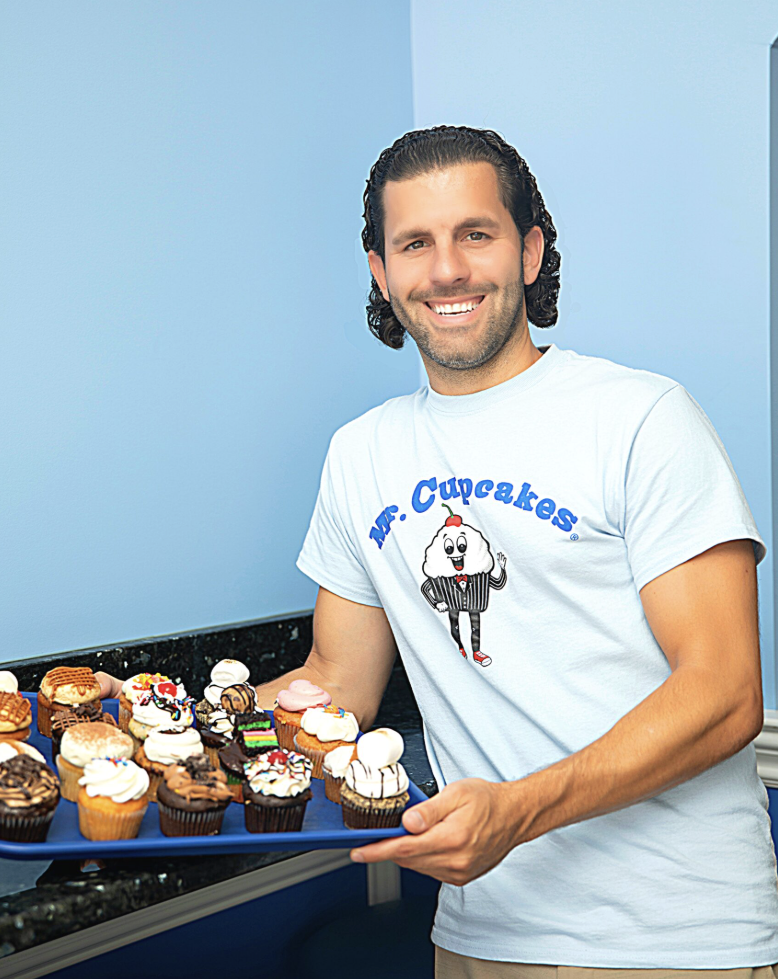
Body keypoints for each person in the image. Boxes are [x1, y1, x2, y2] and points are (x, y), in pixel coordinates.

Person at [100, 126, 778, 976]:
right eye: (414, 243)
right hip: (480, 929)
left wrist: (518, 813)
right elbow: (339, 686)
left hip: (673, 936)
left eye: (476, 234)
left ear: (529, 251)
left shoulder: (641, 419)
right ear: (382, 274)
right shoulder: (362, 454)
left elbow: (724, 694)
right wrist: (151, 713)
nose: (447, 270)